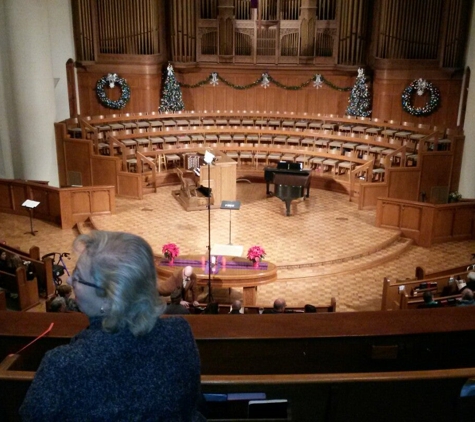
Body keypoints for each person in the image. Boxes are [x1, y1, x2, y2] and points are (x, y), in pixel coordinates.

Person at [20, 230, 204, 421]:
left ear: (110, 299)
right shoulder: (179, 334)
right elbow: (191, 406)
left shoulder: (61, 365)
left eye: (78, 276)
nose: (68, 280)